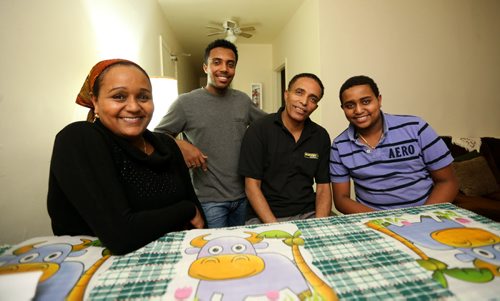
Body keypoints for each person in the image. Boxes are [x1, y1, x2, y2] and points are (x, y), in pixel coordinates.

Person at [47, 59, 205, 255]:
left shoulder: (167, 145)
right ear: (95, 101)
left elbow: (199, 220)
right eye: (119, 97)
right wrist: (185, 210)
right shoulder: (79, 139)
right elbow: (121, 236)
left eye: (143, 97)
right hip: (95, 268)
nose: (133, 106)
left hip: (173, 258)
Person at [154, 39, 266, 228]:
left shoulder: (243, 101)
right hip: (209, 200)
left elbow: (268, 126)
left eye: (230, 64)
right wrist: (181, 144)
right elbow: (157, 135)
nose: (224, 69)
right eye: (217, 62)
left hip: (244, 196)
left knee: (242, 248)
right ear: (206, 67)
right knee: (216, 250)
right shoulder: (185, 103)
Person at [330, 75, 458, 214]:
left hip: (428, 215)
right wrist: (384, 221)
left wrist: (423, 218)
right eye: (350, 105)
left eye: (366, 101)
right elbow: (341, 200)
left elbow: (447, 182)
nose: (359, 110)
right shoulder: (339, 146)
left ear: (379, 100)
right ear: (343, 108)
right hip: (374, 222)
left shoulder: (415, 128)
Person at [238, 73, 332, 224]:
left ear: (316, 106)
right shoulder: (259, 129)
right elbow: (252, 186)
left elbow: (323, 187)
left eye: (313, 99)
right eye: (299, 92)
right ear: (286, 94)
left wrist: (320, 225)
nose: (304, 102)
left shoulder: (320, 136)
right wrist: (276, 227)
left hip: (308, 213)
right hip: (264, 216)